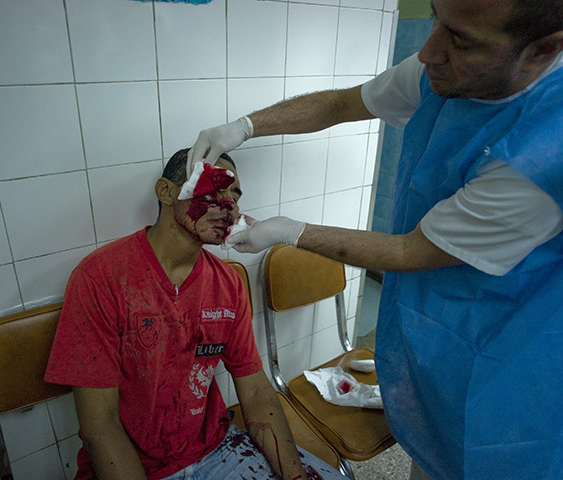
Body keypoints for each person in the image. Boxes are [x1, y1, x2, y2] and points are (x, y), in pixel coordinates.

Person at [188, 0, 563, 479]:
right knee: (434, 447)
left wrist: (292, 232)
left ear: (543, 51)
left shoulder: (560, 150)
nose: (430, 50)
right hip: (445, 324)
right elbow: (340, 103)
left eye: (461, 40)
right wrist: (244, 128)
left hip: (526, 353)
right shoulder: (450, 67)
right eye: (437, 19)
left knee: (500, 454)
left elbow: (413, 250)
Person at [45, 149, 346, 480]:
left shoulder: (227, 283)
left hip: (217, 450)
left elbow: (257, 392)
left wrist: (295, 477)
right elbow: (99, 427)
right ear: (166, 192)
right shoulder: (101, 279)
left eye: (235, 194)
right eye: (215, 186)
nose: (229, 203)